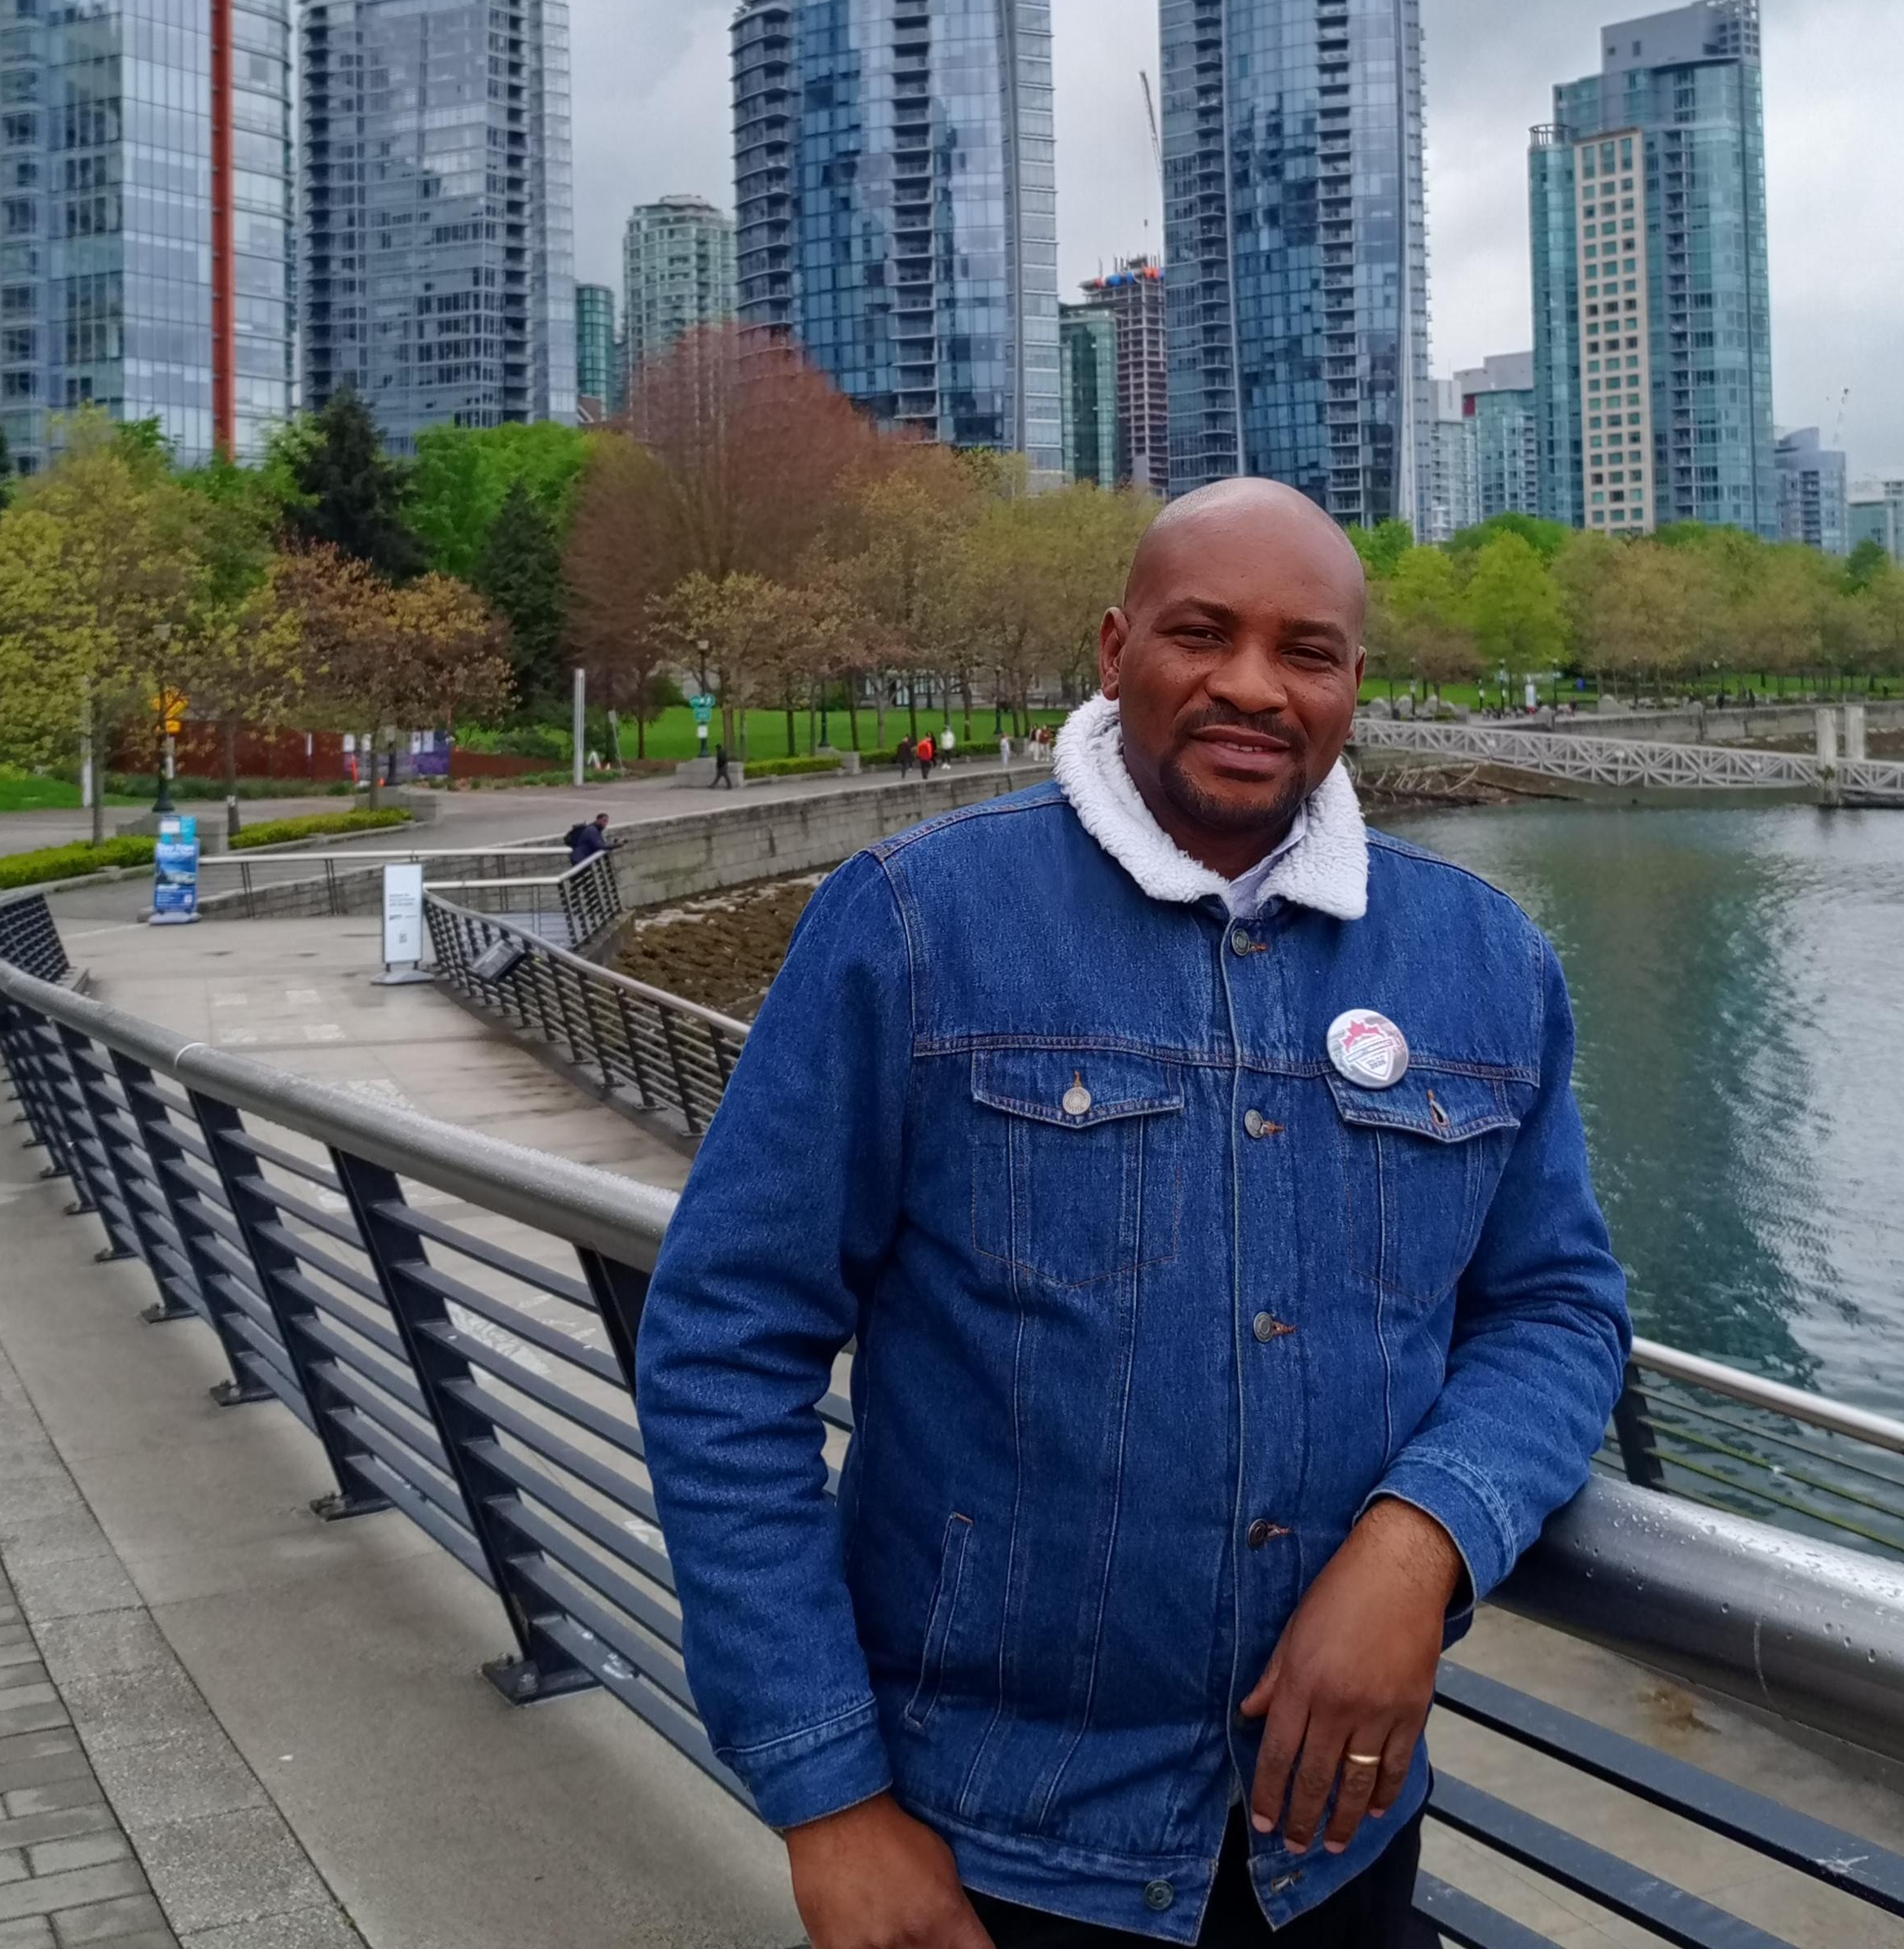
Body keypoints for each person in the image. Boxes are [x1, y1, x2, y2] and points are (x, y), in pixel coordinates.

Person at [638, 479, 1629, 1948]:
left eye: (1306, 651)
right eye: (1201, 634)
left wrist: (1424, 1540)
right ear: (1115, 651)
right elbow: (724, 1344)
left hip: (1333, 1841)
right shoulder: (916, 920)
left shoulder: (1487, 960)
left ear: (1355, 683)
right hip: (987, 1849)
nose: (1254, 686)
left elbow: (1556, 1307)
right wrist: (826, 1797)